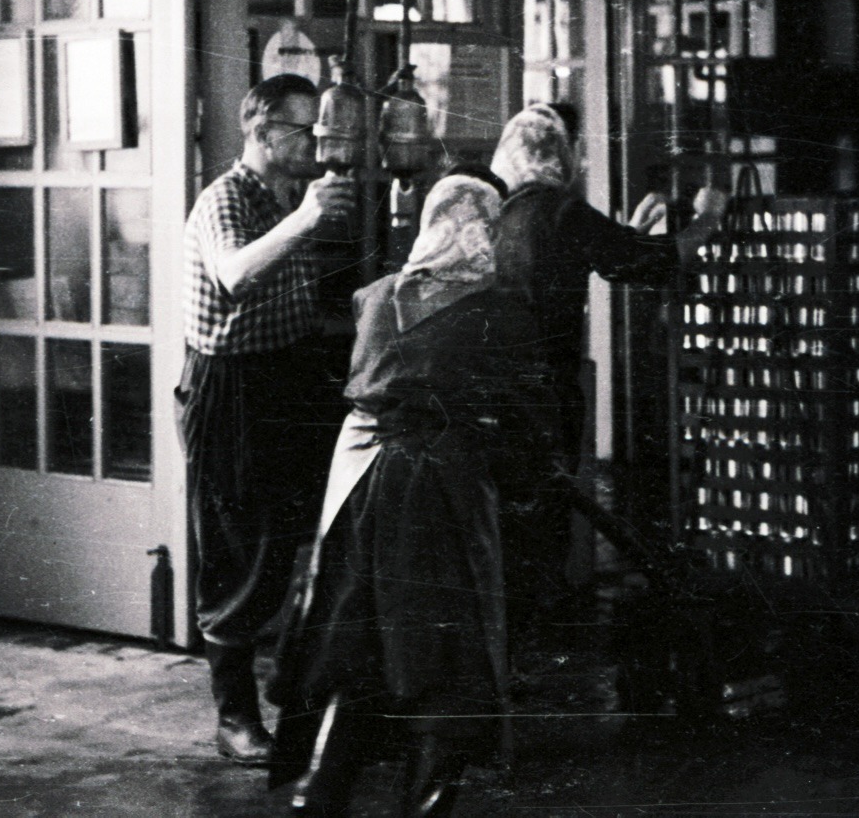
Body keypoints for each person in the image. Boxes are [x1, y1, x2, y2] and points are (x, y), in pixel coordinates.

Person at [269, 171, 553, 817]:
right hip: (437, 500)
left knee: (355, 645)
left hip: (358, 491)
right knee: (446, 662)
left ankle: (318, 794)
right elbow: (526, 427)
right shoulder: (501, 313)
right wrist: (528, 490)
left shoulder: (373, 297)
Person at [176, 73, 355, 764]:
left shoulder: (277, 197)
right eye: (302, 128)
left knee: (287, 540)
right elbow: (234, 274)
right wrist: (309, 218)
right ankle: (234, 718)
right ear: (260, 129)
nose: (314, 141)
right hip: (233, 392)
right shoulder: (225, 199)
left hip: (285, 378)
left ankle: (286, 685)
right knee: (239, 554)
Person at [488, 104, 727, 617]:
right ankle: (542, 625)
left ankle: (515, 630)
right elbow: (645, 263)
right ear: (563, 157)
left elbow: (608, 251)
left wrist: (630, 229)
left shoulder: (500, 213)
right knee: (548, 517)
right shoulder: (561, 209)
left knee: (512, 517)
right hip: (549, 392)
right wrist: (708, 219)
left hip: (499, 390)